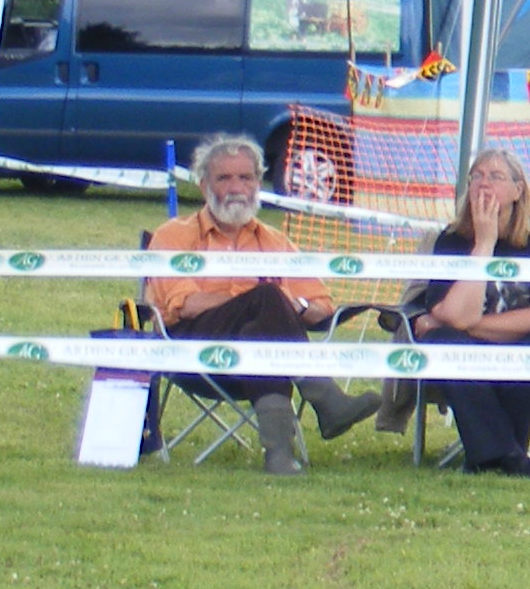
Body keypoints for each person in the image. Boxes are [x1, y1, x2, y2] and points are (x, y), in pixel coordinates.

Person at [143, 135, 378, 475]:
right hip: (192, 347)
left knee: (265, 330)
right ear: (203, 184)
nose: (236, 187)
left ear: (258, 182)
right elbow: (189, 304)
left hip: (258, 351)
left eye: (246, 177)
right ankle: (326, 400)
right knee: (267, 298)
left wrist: (293, 306)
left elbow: (321, 307)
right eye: (224, 178)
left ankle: (280, 456)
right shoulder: (174, 235)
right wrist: (260, 299)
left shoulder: (274, 241)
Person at [405, 146, 530, 477]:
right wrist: (483, 245)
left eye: (496, 176)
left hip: (522, 345)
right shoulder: (452, 238)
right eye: (477, 176)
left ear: (518, 190)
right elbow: (450, 314)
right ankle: (511, 455)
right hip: (469, 352)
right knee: (443, 341)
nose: (484, 184)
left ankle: (488, 452)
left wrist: (469, 324)